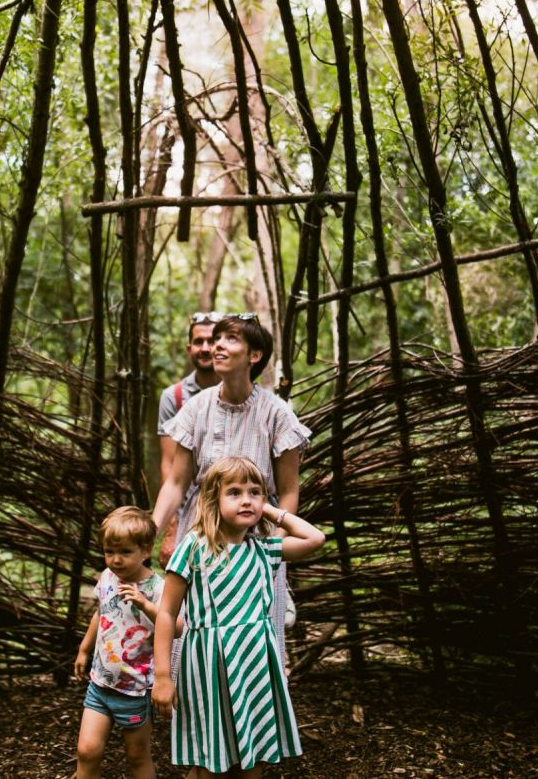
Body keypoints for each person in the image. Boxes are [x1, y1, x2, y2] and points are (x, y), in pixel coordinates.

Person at [152, 456, 325, 776]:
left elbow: (315, 539)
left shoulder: (264, 549)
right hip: (208, 667)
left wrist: (269, 510)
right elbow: (166, 613)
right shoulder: (194, 547)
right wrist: (162, 676)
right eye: (234, 492)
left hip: (255, 665)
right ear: (212, 500)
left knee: (255, 755)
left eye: (254, 492)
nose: (246, 500)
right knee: (210, 763)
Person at [152, 314, 310, 651]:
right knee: (194, 633)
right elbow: (176, 484)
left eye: (230, 339)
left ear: (254, 355)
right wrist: (149, 533)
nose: (217, 346)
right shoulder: (195, 408)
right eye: (217, 339)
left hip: (257, 540)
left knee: (253, 640)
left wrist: (272, 551)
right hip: (200, 536)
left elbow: (288, 492)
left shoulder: (277, 414)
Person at [73, 507, 164, 779]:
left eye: (125, 552)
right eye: (109, 552)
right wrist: (84, 649)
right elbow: (101, 613)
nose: (115, 559)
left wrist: (145, 605)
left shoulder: (157, 588)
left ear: (145, 550)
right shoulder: (107, 577)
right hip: (100, 684)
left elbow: (176, 626)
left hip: (134, 690)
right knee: (87, 751)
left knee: (137, 755)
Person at [156, 312, 223, 566]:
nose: (205, 348)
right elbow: (169, 465)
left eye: (212, 341)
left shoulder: (242, 392)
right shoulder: (173, 397)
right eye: (198, 342)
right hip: (189, 516)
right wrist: (171, 531)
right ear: (188, 349)